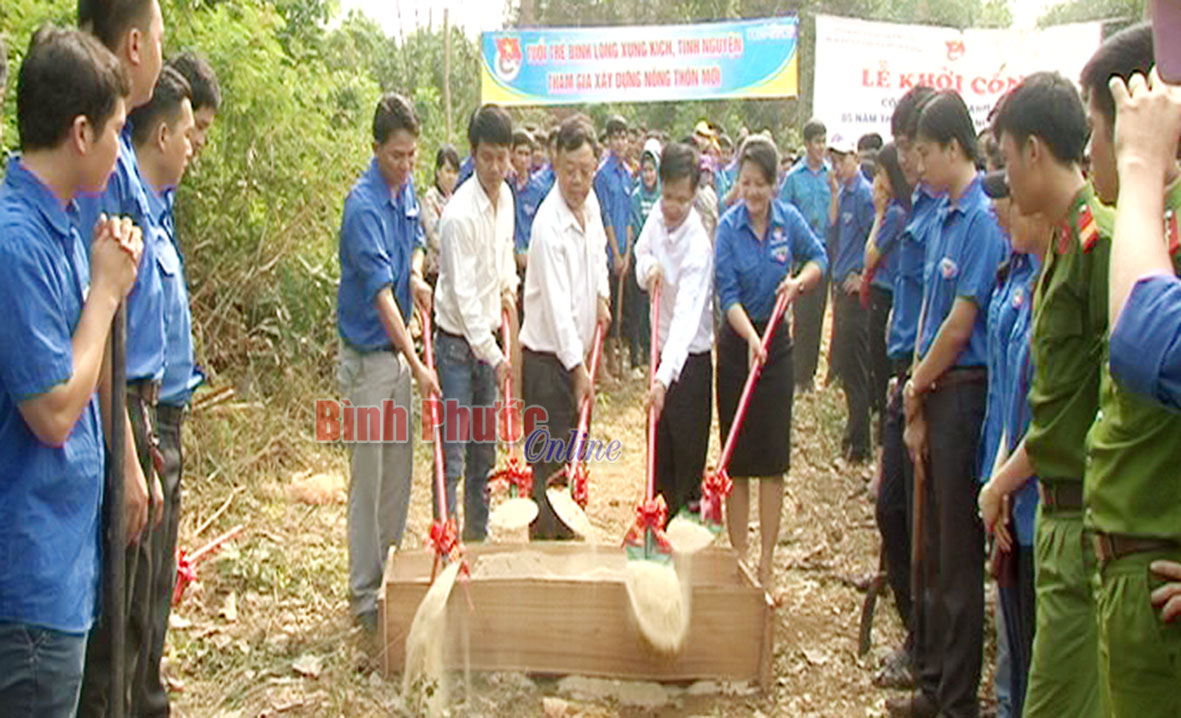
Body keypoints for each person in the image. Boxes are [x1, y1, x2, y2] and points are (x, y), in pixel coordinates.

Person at [0, 26, 142, 718]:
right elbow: (53, 410)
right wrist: (106, 293)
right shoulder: (16, 244)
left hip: (62, 571)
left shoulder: (58, 227)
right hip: (28, 588)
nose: (121, 154)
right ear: (81, 133)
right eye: (117, 132)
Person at [975, 71, 1107, 718]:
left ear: (1032, 150)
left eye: (1002, 158)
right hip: (1047, 511)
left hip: (1088, 520)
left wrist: (1001, 482)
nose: (1001, 181)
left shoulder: (1098, 245)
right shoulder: (1056, 245)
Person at [894, 90, 1006, 718]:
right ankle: (933, 682)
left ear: (956, 148)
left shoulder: (983, 219)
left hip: (960, 393)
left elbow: (962, 323)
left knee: (958, 556)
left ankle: (958, 698)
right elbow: (926, 320)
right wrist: (912, 395)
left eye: (928, 152)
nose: (920, 163)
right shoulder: (940, 215)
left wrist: (918, 388)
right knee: (930, 549)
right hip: (930, 391)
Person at [1078, 28, 1181, 717]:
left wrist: (1141, 170)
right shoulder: (1153, 227)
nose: (1089, 151)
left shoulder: (1129, 230)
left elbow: (1142, 340)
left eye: (1094, 129)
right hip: (1124, 574)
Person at [75, 0, 168, 714]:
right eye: (161, 37)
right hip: (103, 414)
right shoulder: (97, 159)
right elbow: (99, 318)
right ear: (135, 44)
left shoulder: (118, 151)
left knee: (133, 623)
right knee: (108, 637)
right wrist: (128, 457)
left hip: (127, 411)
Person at [336, 93, 441, 633]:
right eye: (396, 155)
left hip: (397, 358)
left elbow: (417, 246)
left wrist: (418, 274)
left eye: (412, 155)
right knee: (370, 478)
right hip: (369, 359)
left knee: (399, 473)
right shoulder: (363, 207)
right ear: (376, 148)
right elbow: (381, 297)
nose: (405, 164)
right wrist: (418, 362)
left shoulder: (404, 195)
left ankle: (391, 578)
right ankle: (362, 595)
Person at [129, 59, 208, 718]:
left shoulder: (160, 208)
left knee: (156, 580)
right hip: (143, 418)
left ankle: (148, 690)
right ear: (160, 137)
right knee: (139, 581)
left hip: (169, 411)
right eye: (189, 134)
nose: (193, 147)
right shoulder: (128, 209)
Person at [715, 136, 827, 590]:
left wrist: (798, 283)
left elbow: (820, 257)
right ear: (738, 183)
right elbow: (727, 295)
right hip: (740, 341)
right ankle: (739, 558)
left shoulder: (788, 223)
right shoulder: (727, 227)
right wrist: (749, 338)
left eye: (761, 184)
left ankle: (766, 562)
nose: (754, 193)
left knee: (772, 459)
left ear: (773, 185)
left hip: (777, 343)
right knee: (738, 458)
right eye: (746, 183)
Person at [871, 85, 936, 693]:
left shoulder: (946, 214)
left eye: (914, 148)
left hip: (930, 386)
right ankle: (917, 632)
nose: (908, 161)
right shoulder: (912, 213)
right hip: (902, 379)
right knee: (891, 509)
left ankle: (928, 649)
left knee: (924, 528)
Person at [520, 114, 611, 540]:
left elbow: (599, 257)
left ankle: (569, 551)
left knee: (574, 464)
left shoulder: (591, 205)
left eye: (586, 171)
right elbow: (556, 310)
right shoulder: (546, 226)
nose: (578, 181)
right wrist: (578, 371)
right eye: (570, 170)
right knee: (548, 471)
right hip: (547, 365)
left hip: (578, 359)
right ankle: (545, 566)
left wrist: (603, 297)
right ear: (555, 164)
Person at [978, 168, 1047, 718]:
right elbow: (1008, 395)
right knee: (1012, 638)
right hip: (1006, 480)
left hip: (1035, 497)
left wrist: (1006, 482)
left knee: (1030, 647)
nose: (1005, 213)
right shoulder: (1015, 273)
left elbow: (1048, 413)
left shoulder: (1057, 280)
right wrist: (997, 480)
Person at [433, 104, 518, 542]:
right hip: (455, 346)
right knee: (452, 454)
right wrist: (497, 356)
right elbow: (464, 302)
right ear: (473, 153)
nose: (497, 167)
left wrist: (509, 287)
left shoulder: (507, 200)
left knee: (484, 452)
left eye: (503, 156)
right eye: (488, 157)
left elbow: (504, 259)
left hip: (489, 345)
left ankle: (476, 539)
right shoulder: (457, 216)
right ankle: (443, 543)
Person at [634, 142, 713, 521]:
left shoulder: (698, 245)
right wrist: (648, 269)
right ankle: (657, 534)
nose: (673, 206)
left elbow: (685, 321)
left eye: (682, 199)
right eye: (667, 196)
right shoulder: (656, 219)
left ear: (694, 194)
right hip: (658, 352)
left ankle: (685, 542)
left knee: (686, 458)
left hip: (688, 363)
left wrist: (664, 380)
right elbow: (639, 254)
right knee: (658, 452)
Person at [828, 135, 874, 463]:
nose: (838, 166)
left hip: (856, 294)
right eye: (834, 160)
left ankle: (859, 445)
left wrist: (865, 277)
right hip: (840, 287)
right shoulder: (843, 193)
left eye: (842, 159)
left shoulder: (865, 195)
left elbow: (880, 237)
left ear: (855, 157)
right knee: (845, 365)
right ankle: (851, 438)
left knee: (856, 370)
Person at [779, 119, 831, 391]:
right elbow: (784, 216)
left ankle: (809, 373)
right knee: (802, 315)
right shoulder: (794, 177)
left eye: (824, 141)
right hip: (802, 256)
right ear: (807, 144)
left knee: (818, 315)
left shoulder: (829, 175)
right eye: (816, 142)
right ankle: (797, 374)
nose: (820, 147)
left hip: (823, 253)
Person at [863, 145, 908, 423]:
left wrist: (878, 214)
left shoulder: (893, 214)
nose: (877, 181)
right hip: (884, 293)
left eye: (880, 174)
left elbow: (869, 258)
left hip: (885, 294)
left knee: (881, 364)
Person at [594, 115, 632, 380]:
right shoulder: (603, 175)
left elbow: (627, 217)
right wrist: (616, 253)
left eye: (623, 136)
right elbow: (604, 215)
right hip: (608, 253)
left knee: (622, 310)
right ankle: (602, 364)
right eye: (615, 137)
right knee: (606, 308)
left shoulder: (628, 174)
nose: (620, 142)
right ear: (607, 141)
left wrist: (628, 252)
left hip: (624, 250)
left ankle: (616, 357)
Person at [626, 138, 661, 372]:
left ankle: (652, 351)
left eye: (652, 170)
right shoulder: (636, 196)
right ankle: (635, 355)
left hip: (659, 260)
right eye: (645, 170)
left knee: (653, 308)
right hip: (640, 257)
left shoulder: (661, 196)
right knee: (636, 311)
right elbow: (636, 224)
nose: (648, 175)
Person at [421, 144, 460, 286]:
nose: (451, 177)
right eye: (448, 171)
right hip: (435, 272)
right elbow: (433, 237)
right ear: (438, 172)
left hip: (453, 272)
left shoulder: (457, 200)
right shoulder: (430, 199)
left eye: (455, 173)